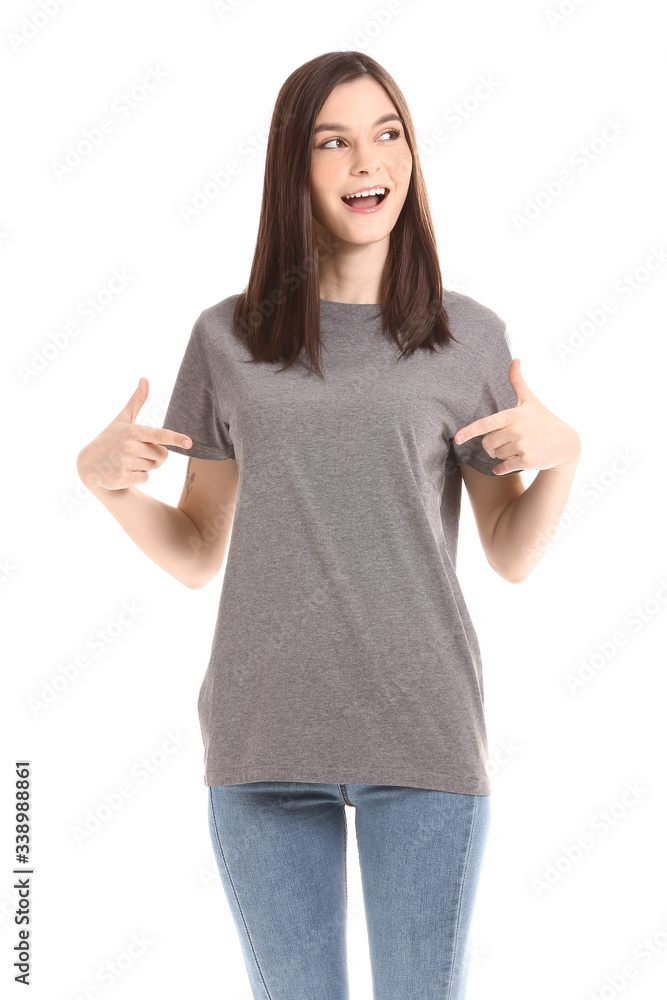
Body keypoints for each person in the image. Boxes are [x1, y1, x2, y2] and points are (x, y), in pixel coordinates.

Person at [76, 50, 581, 1000]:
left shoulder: (465, 335)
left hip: (423, 740)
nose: (366, 162)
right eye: (333, 141)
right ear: (292, 168)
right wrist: (103, 484)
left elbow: (509, 554)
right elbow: (195, 554)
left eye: (386, 134)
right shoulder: (226, 337)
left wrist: (565, 453)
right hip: (262, 743)